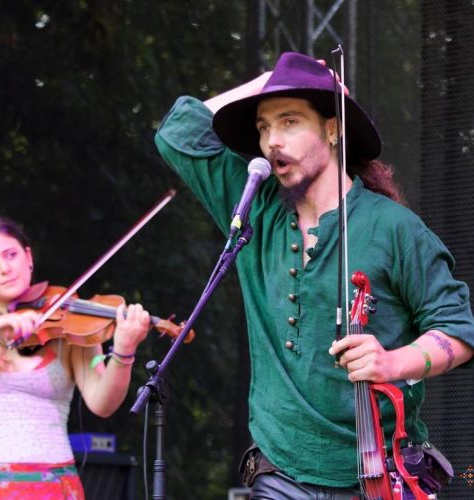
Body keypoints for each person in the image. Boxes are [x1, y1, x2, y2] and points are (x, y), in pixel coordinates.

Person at [154, 52, 474, 498]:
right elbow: (177, 131)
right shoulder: (254, 207)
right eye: (263, 127)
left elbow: (457, 331)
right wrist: (269, 80)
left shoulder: (395, 228)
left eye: (289, 122)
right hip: (278, 472)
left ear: (332, 128)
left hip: (377, 473)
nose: (272, 141)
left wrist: (391, 362)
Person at [0, 215, 150, 499]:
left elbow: (102, 403)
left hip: (53, 487)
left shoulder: (68, 323)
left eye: (11, 255)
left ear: (28, 257)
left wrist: (124, 350)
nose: (5, 269)